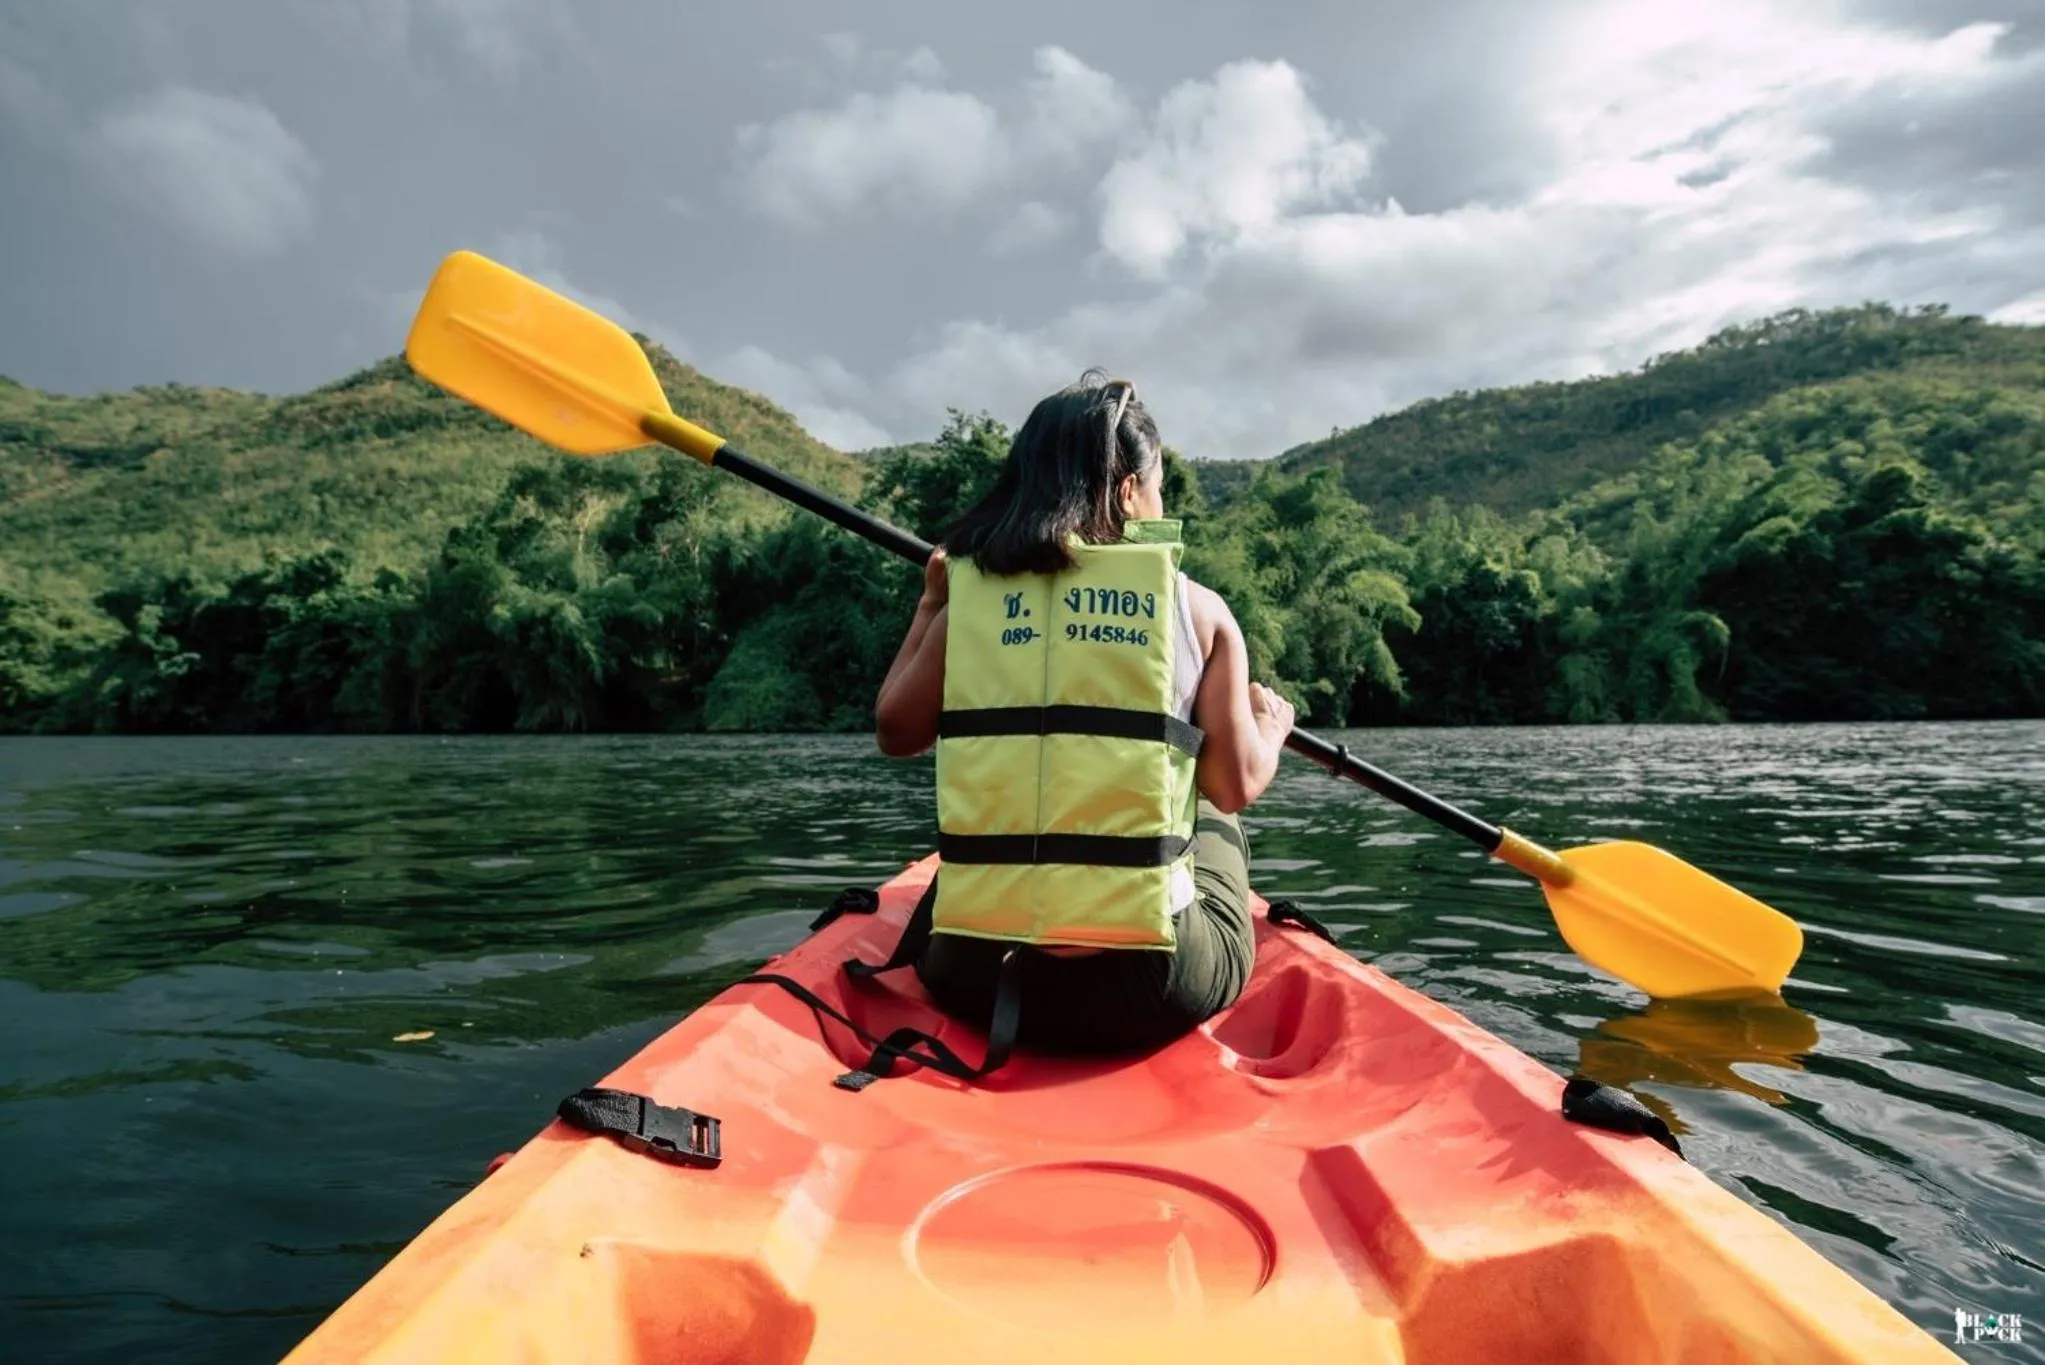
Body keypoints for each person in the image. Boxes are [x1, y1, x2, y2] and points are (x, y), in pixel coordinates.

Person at [870, 369, 1296, 1061]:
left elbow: (896, 732)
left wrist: (931, 606)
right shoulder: (1199, 608)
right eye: (1157, 484)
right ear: (1130, 491)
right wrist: (1268, 727)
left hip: (973, 973)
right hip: (1151, 988)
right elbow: (1234, 784)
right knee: (1209, 803)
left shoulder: (971, 603)